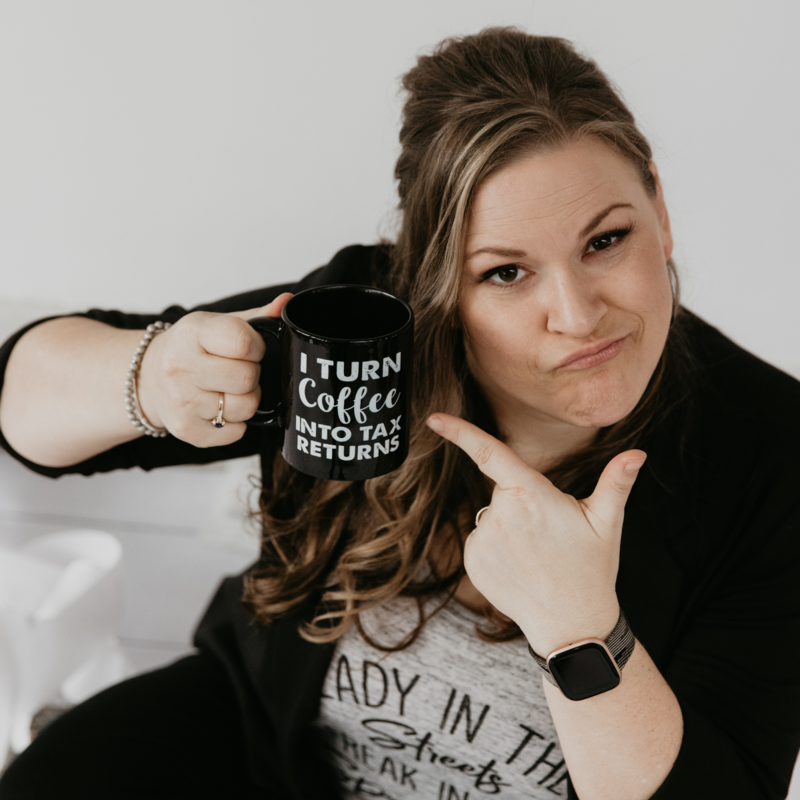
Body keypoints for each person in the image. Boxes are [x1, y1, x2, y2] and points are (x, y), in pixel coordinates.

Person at [1, 26, 799, 800]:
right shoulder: (364, 327)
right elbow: (27, 414)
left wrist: (581, 629)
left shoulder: (772, 449)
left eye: (605, 241)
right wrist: (152, 378)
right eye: (507, 272)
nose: (577, 314)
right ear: (438, 280)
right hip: (270, 751)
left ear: (658, 208)